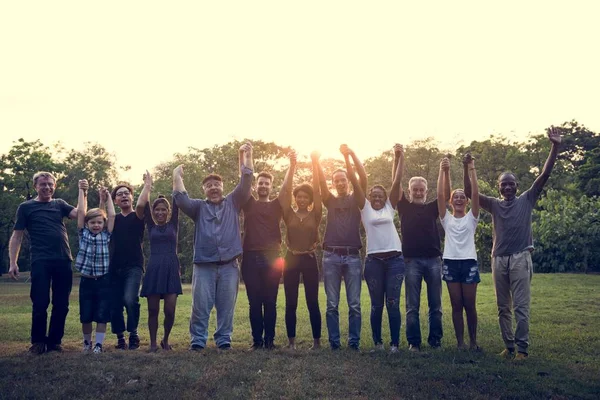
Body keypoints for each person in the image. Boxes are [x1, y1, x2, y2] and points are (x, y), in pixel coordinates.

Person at [464, 127, 562, 360]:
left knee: (520, 306)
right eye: (503, 184)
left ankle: (522, 349)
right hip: (498, 259)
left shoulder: (527, 198)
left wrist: (555, 146)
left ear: (517, 186)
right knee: (502, 307)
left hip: (520, 257)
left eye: (511, 184)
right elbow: (470, 193)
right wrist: (466, 166)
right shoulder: (494, 204)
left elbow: (544, 175)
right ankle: (509, 347)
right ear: (499, 186)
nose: (507, 187)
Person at [173, 142, 254, 351]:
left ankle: (223, 339)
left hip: (229, 265)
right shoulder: (198, 207)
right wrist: (177, 176)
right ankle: (198, 341)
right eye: (208, 186)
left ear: (223, 187)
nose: (213, 188)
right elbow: (181, 200)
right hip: (204, 265)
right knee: (200, 307)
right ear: (204, 190)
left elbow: (246, 180)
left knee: (226, 307)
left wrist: (246, 155)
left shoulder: (233, 202)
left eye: (216, 184)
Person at [9, 172, 82, 354]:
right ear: (36, 187)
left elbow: (81, 215)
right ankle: (38, 342)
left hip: (63, 259)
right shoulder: (26, 207)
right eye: (43, 184)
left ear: (54, 186)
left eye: (50, 184)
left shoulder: (60, 204)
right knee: (40, 302)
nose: (47, 187)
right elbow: (17, 236)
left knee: (62, 304)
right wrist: (13, 262)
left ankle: (55, 341)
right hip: (40, 260)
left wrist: (82, 191)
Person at [395, 145, 450, 351]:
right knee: (412, 306)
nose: (418, 192)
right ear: (409, 192)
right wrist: (398, 158)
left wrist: (442, 170)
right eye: (414, 190)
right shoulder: (404, 206)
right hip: (410, 261)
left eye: (421, 189)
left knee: (435, 305)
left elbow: (445, 193)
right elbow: (396, 182)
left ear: (426, 192)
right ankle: (414, 342)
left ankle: (435, 340)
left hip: (434, 260)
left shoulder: (432, 207)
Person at [351, 145, 406, 353]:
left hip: (395, 261)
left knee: (392, 302)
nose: (376, 198)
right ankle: (377, 343)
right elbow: (355, 181)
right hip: (373, 262)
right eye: (373, 195)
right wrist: (349, 156)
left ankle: (394, 344)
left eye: (379, 195)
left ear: (385, 198)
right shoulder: (364, 208)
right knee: (376, 305)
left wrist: (400, 156)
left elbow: (397, 181)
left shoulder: (390, 207)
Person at [315, 144, 366, 350]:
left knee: (354, 304)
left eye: (343, 180)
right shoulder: (330, 201)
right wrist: (316, 162)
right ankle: (334, 343)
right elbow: (320, 183)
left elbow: (360, 177)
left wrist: (349, 156)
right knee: (332, 305)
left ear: (347, 182)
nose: (340, 183)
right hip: (331, 256)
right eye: (336, 181)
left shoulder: (356, 199)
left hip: (353, 256)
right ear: (334, 184)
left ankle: (353, 343)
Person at [241, 152, 291, 350]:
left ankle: (269, 341)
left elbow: (287, 188)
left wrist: (292, 165)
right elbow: (243, 179)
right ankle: (257, 340)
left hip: (272, 257)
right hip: (251, 257)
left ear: (271, 186)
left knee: (270, 301)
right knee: (254, 302)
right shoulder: (249, 203)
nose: (263, 185)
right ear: (256, 185)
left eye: (266, 183)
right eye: (260, 183)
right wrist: (245, 156)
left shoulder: (277, 204)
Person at [437, 155, 480, 351]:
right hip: (450, 263)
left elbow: (477, 194)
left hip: (469, 262)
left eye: (463, 196)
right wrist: (442, 170)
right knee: (456, 305)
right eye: (456, 196)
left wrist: (472, 168)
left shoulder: (472, 218)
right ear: (452, 201)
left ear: (466, 201)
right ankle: (460, 343)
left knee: (470, 305)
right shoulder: (446, 218)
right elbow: (439, 196)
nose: (460, 198)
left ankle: (473, 342)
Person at [281, 151, 323, 350]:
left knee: (312, 301)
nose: (302, 199)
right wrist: (292, 165)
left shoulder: (315, 214)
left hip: (309, 259)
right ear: (295, 198)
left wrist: (315, 163)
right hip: (291, 259)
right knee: (291, 302)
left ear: (310, 199)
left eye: (306, 197)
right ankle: (291, 342)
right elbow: (287, 189)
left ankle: (316, 342)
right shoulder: (288, 214)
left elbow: (317, 189)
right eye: (299, 196)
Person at [138, 171, 183, 352]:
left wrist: (176, 178)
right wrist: (147, 185)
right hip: (154, 268)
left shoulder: (173, 224)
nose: (160, 212)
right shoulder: (150, 225)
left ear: (168, 212)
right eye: (157, 210)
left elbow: (176, 200)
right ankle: (153, 343)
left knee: (170, 310)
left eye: (163, 209)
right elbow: (145, 204)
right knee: (153, 310)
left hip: (171, 268)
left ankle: (165, 339)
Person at [75, 183, 116, 354]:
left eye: (99, 222)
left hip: (103, 281)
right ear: (87, 223)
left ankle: (99, 344)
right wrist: (82, 191)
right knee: (85, 315)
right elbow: (81, 212)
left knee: (101, 314)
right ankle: (87, 343)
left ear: (103, 224)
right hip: (86, 281)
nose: (96, 225)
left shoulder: (106, 235)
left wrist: (107, 199)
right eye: (92, 222)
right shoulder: (82, 233)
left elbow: (112, 215)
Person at [108, 181, 148, 350]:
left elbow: (142, 203)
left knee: (130, 299)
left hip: (134, 266)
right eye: (119, 194)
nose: (124, 196)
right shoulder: (113, 220)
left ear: (132, 197)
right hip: (114, 267)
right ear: (115, 201)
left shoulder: (138, 217)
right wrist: (104, 199)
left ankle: (133, 333)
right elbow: (106, 213)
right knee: (115, 303)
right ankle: (120, 338)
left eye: (127, 193)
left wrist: (148, 184)